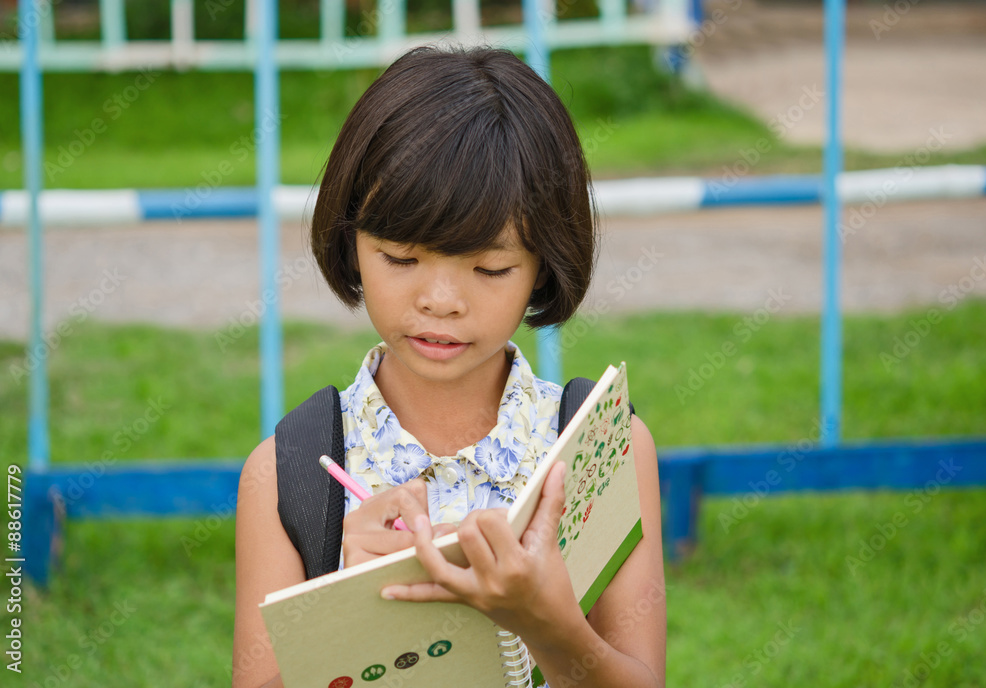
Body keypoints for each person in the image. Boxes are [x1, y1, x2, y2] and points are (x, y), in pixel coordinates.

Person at [232, 44, 666, 688]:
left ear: (545, 262)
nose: (440, 301)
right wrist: (347, 606)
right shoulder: (290, 471)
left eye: (490, 269)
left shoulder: (602, 449)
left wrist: (548, 624)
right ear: (351, 242)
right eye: (401, 259)